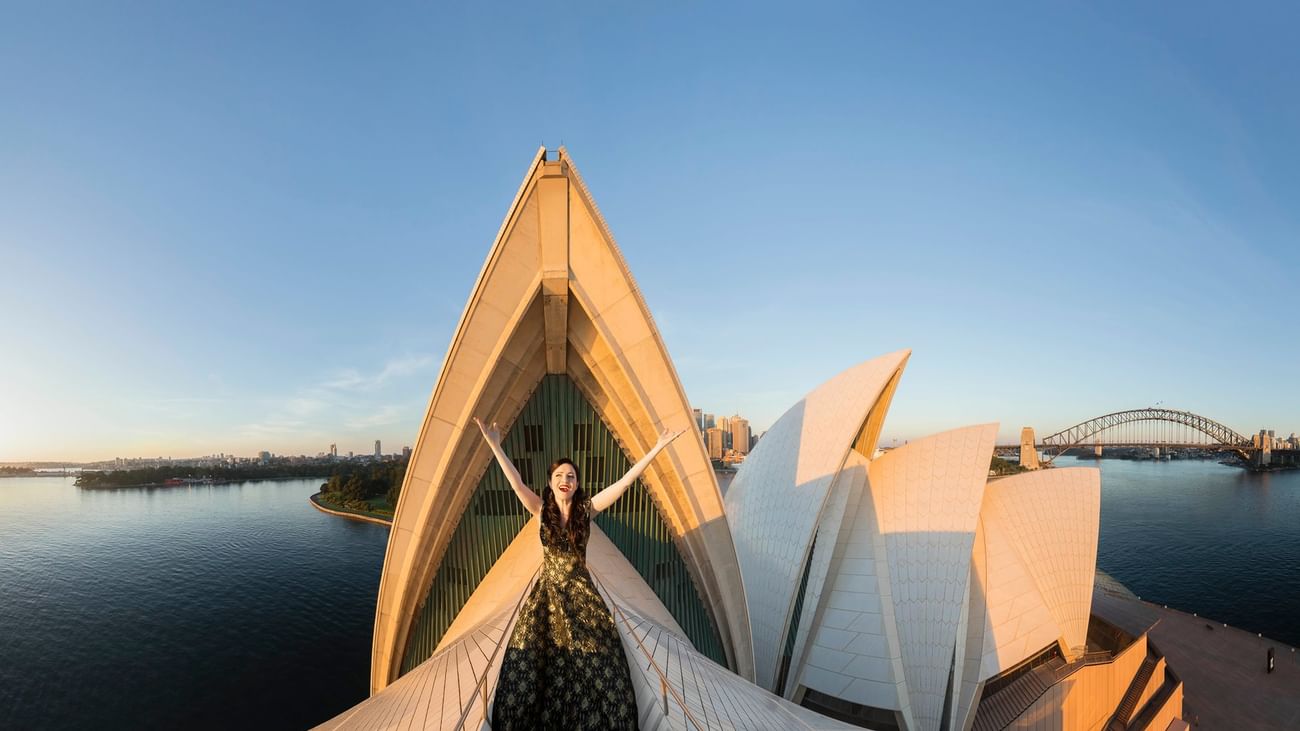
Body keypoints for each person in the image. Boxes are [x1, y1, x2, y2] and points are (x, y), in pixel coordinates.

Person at [473, 416, 685, 731]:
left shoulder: (587, 510)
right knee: (530, 667)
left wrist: (658, 447)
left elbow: (625, 482)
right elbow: (515, 482)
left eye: (571, 476)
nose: (565, 479)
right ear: (550, 482)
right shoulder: (540, 510)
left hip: (582, 598)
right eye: (559, 475)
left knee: (598, 668)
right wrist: (494, 445)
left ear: (577, 483)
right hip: (547, 598)